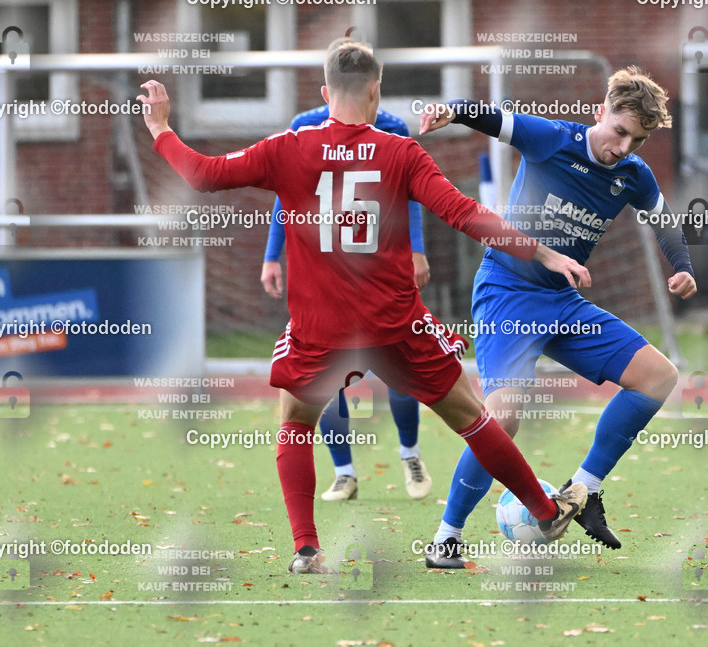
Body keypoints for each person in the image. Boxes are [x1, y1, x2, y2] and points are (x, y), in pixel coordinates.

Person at [138, 31, 590, 575]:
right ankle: (544, 512)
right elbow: (466, 214)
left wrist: (162, 128)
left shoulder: (288, 147)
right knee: (472, 419)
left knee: (295, 425)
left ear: (325, 95)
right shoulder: (401, 151)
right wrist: (542, 251)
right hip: (395, 326)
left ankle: (307, 550)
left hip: (319, 330)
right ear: (376, 92)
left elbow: (204, 174)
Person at [418, 66, 697, 568]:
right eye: (619, 132)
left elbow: (664, 222)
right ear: (600, 112)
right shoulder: (551, 139)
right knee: (503, 417)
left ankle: (583, 490)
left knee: (659, 376)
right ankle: (446, 538)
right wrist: (451, 110)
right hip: (507, 293)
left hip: (563, 304)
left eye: (636, 140)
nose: (623, 147)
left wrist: (682, 267)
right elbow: (495, 119)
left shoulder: (634, 175)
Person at [261, 106, 432, 502]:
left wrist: (417, 250)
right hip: (326, 276)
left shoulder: (391, 127)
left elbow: (410, 194)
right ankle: (344, 473)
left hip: (381, 271)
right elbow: (285, 196)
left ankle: (410, 455)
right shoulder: (304, 126)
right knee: (330, 374)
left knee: (398, 368)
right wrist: (273, 255)